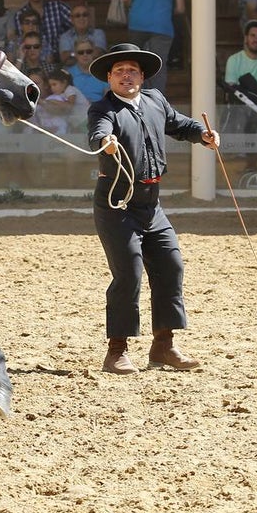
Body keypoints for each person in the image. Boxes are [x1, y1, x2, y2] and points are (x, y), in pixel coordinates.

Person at [87, 42, 219, 374]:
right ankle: (116, 350)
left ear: (142, 76)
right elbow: (98, 134)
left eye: (132, 70)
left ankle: (164, 346)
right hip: (117, 205)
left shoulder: (155, 101)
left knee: (171, 265)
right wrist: (106, 142)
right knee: (128, 273)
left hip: (152, 206)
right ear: (109, 78)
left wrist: (203, 135)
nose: (126, 76)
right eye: (119, 71)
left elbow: (181, 125)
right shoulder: (103, 109)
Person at [124, 0, 186, 93]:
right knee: (158, 66)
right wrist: (166, 11)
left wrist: (133, 8)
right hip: (162, 25)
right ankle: (157, 105)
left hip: (137, 22)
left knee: (136, 65)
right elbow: (181, 8)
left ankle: (135, 102)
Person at [224, 20, 257, 103]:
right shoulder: (233, 60)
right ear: (246, 38)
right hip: (240, 108)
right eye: (252, 35)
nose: (256, 39)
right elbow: (230, 94)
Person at [34, 67, 87, 134]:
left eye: (54, 84)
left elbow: (70, 106)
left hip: (84, 120)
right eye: (50, 86)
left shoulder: (70, 90)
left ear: (64, 83)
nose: (52, 88)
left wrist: (54, 101)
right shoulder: (62, 94)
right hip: (77, 121)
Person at [68, 38, 107, 102]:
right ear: (75, 54)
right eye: (80, 52)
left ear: (94, 53)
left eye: (88, 51)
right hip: (76, 110)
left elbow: (108, 98)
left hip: (98, 109)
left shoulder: (102, 73)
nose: (85, 54)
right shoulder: (68, 74)